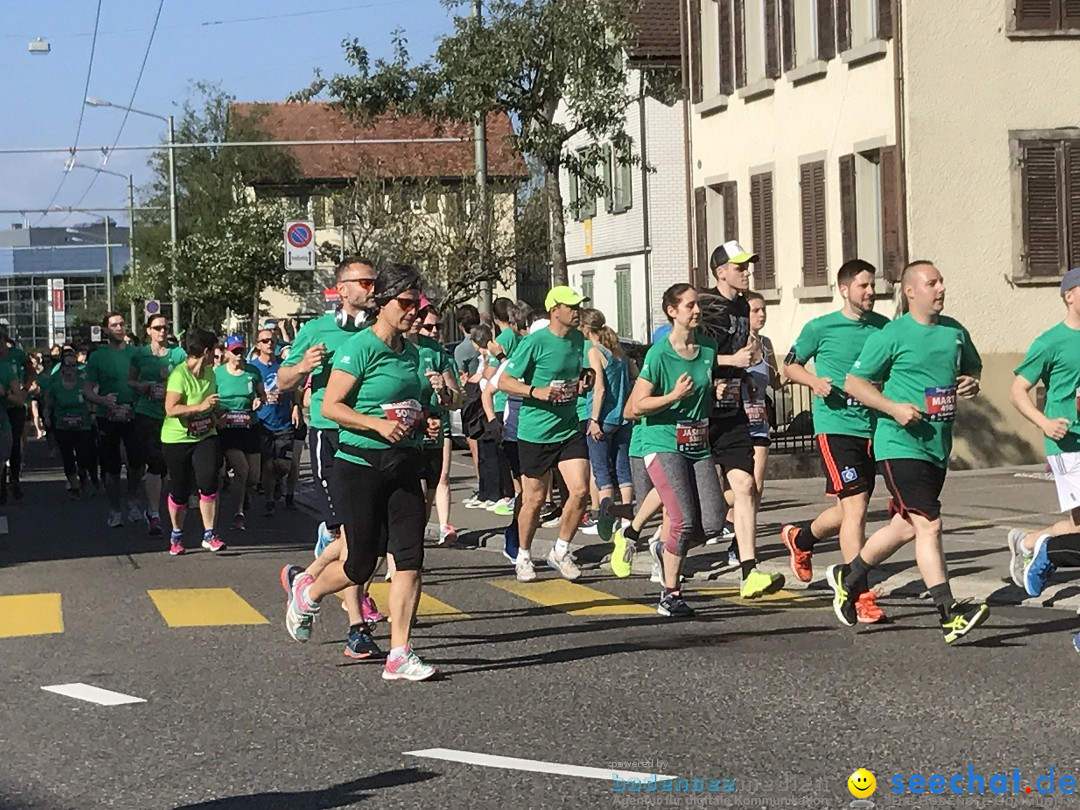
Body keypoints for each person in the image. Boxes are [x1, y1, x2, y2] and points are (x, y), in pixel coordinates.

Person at [284, 263, 439, 681]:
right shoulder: (359, 348)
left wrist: (425, 420)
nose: (413, 313)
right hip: (358, 466)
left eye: (417, 306)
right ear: (384, 303)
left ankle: (400, 653)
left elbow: (412, 405)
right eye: (405, 304)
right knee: (359, 564)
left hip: (404, 464)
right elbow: (331, 406)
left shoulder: (413, 354)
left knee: (409, 560)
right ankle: (308, 591)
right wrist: (377, 425)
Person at [828, 260, 988, 643]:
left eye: (942, 281)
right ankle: (949, 615)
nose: (941, 288)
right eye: (932, 282)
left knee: (904, 526)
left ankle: (849, 577)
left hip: (936, 446)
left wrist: (971, 384)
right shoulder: (892, 334)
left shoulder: (955, 332)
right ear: (911, 291)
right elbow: (854, 382)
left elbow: (973, 372)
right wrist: (893, 408)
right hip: (898, 444)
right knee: (929, 524)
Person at [779, 260, 890, 623]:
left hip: (872, 428)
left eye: (872, 286)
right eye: (863, 286)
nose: (870, 292)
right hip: (835, 426)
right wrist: (813, 382)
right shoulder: (821, 328)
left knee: (847, 511)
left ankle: (801, 539)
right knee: (856, 509)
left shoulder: (883, 328)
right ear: (844, 290)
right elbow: (790, 366)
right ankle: (857, 591)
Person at [276, 257, 381, 635]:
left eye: (374, 282)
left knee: (369, 536)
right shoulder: (316, 330)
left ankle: (306, 578)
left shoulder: (381, 329)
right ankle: (356, 627)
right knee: (351, 535)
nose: (372, 289)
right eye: (365, 283)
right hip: (330, 434)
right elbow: (283, 380)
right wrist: (303, 365)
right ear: (343, 289)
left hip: (372, 436)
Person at [627, 284, 728, 617]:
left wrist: (717, 390)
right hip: (662, 441)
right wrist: (672, 397)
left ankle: (662, 547)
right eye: (689, 306)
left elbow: (703, 389)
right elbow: (635, 407)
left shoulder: (709, 349)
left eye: (697, 305)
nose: (696, 311)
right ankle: (670, 595)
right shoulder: (659, 353)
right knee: (682, 521)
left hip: (697, 443)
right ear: (672, 311)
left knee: (712, 524)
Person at [698, 241, 785, 598]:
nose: (747, 271)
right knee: (699, 510)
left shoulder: (742, 306)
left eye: (747, 265)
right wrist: (729, 366)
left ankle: (749, 571)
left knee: (747, 487)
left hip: (733, 411)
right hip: (701, 413)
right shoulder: (707, 309)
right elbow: (695, 358)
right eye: (739, 266)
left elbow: (743, 355)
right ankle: (655, 541)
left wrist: (745, 376)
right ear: (721, 272)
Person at [499, 286, 594, 583]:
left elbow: (580, 373)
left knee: (580, 491)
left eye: (579, 306)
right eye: (571, 306)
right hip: (536, 431)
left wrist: (583, 384)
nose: (577, 311)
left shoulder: (578, 339)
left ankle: (561, 550)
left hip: (567, 426)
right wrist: (534, 391)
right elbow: (503, 380)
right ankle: (524, 555)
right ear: (555, 310)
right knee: (535, 500)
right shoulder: (535, 342)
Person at [1006, 267, 1080, 642]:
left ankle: (1034, 543)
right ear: (1069, 295)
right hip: (1068, 444)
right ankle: (1043, 549)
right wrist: (1045, 423)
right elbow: (1018, 390)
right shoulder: (1051, 341)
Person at [161, 328, 225, 555]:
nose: (217, 355)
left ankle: (210, 533)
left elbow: (212, 403)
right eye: (215, 350)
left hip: (205, 435)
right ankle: (176, 534)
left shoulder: (210, 373)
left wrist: (218, 416)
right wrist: (199, 407)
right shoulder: (179, 375)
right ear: (206, 352)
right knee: (179, 489)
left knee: (208, 480)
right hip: (176, 439)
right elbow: (170, 408)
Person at [129, 313, 188, 535]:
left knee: (168, 464)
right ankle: (153, 513)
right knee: (154, 461)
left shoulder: (178, 354)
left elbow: (189, 379)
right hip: (147, 413)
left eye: (165, 327)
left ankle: (172, 501)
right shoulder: (141, 354)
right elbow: (130, 380)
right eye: (157, 328)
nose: (162, 331)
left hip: (173, 415)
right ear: (148, 331)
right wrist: (143, 387)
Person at [83, 312, 143, 528]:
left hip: (134, 415)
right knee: (112, 467)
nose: (119, 328)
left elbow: (145, 381)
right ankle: (114, 508)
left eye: (122, 324)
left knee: (137, 463)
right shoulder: (98, 357)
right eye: (114, 325)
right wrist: (102, 400)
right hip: (107, 416)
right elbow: (87, 390)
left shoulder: (137, 354)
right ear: (106, 330)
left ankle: (132, 498)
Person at [410, 305, 462, 543]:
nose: (432, 331)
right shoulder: (385, 345)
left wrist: (444, 390)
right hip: (401, 433)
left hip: (434, 429)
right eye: (427, 325)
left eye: (436, 326)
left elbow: (457, 397)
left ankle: (413, 544)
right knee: (411, 496)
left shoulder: (435, 352)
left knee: (429, 493)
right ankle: (399, 554)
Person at [581, 308, 635, 537]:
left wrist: (594, 419)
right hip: (623, 417)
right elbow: (634, 374)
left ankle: (606, 518)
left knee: (602, 472)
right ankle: (626, 519)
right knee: (623, 471)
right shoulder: (618, 351)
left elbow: (600, 388)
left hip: (604, 417)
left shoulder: (595, 352)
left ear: (585, 328)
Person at [215, 334, 266, 531]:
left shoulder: (252, 372)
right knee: (241, 469)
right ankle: (238, 513)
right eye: (235, 352)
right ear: (227, 353)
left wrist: (258, 401)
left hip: (249, 425)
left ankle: (244, 494)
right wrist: (218, 415)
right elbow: (211, 398)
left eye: (241, 351)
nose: (238, 355)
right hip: (228, 428)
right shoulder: (218, 374)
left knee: (253, 476)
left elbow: (261, 395)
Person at [44, 349, 97, 498]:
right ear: (62, 367)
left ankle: (83, 474)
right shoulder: (56, 386)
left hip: (82, 425)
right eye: (67, 365)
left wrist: (92, 414)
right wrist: (47, 418)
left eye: (74, 365)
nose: (70, 369)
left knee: (83, 454)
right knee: (67, 456)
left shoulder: (83, 383)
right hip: (63, 425)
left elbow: (91, 400)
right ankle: (74, 486)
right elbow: (48, 404)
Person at [0, 325, 34, 502]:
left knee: (13, 443)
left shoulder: (17, 355)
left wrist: (25, 387)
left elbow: (30, 370)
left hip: (13, 406)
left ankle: (14, 478)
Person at [455, 304, 484, 505]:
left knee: (474, 446)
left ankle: (482, 487)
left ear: (460, 325)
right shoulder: (486, 340)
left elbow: (460, 376)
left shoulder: (462, 348)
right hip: (488, 394)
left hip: (472, 397)